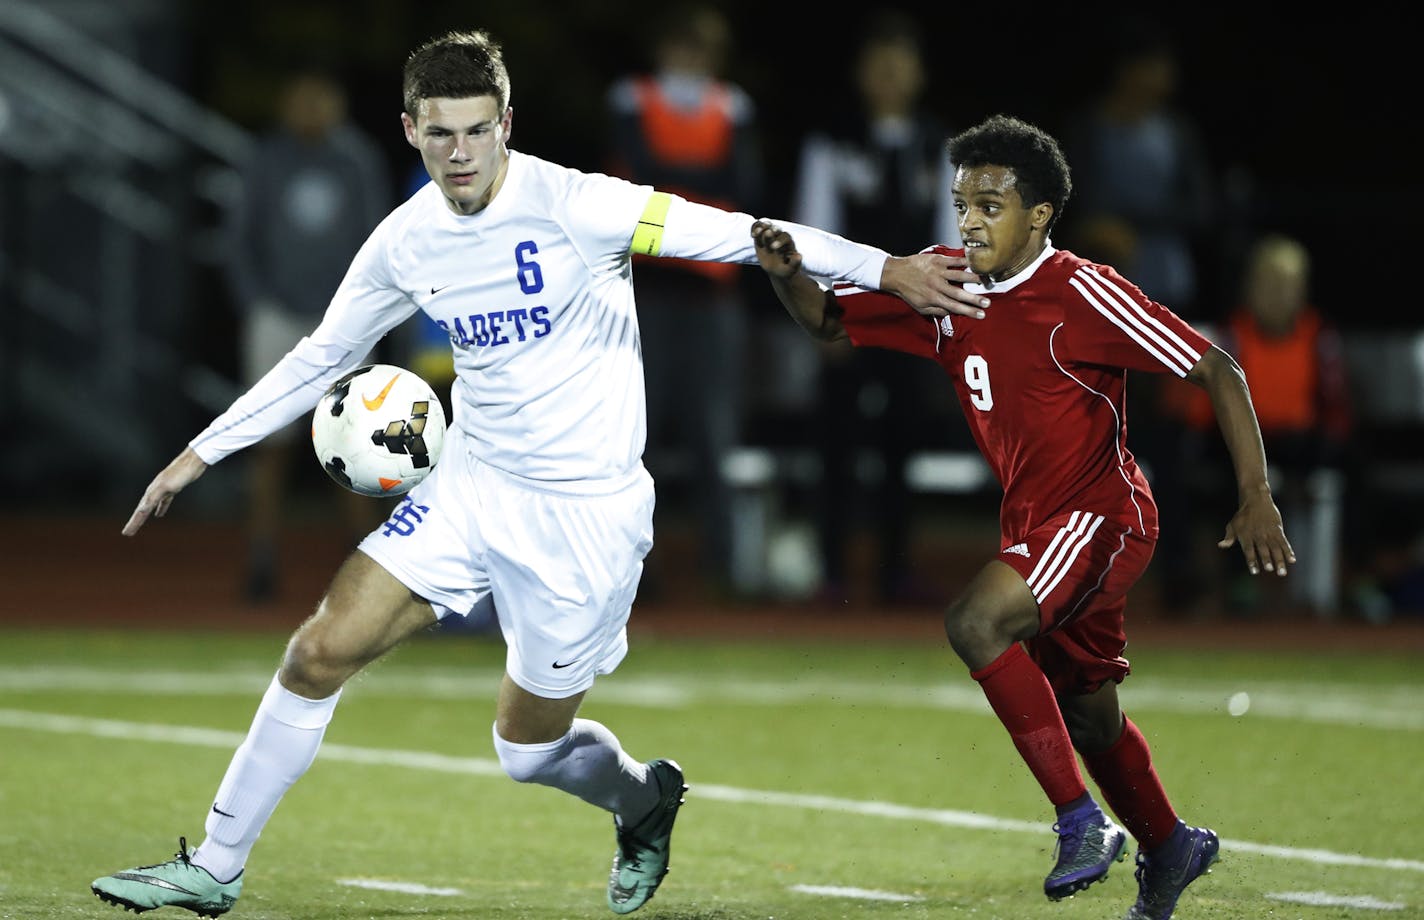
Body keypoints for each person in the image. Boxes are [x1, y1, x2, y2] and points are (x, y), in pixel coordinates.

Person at [90, 29, 988, 918]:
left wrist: (888, 269)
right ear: (410, 131)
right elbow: (323, 355)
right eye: (439, 133)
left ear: (507, 122)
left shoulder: (580, 204)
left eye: (477, 130)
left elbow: (740, 235)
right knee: (317, 650)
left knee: (525, 750)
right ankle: (214, 866)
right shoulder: (405, 240)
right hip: (470, 485)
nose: (460, 153)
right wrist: (200, 453)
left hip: (586, 518)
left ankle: (641, 800)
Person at [751, 114, 1295, 920]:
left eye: (990, 204)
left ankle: (1082, 825)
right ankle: (1169, 842)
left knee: (975, 621)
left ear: (1039, 215)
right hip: (1036, 528)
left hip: (1102, 517)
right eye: (961, 202)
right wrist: (786, 274)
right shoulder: (944, 285)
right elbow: (829, 323)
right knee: (1088, 712)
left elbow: (1216, 366)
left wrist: (1255, 493)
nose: (969, 219)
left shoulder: (1081, 289)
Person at [788, 9, 965, 606]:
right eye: (879, 66)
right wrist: (824, 320)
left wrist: (944, 317)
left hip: (915, 320)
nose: (890, 78)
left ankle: (896, 570)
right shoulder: (831, 141)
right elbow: (813, 232)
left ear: (917, 74)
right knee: (836, 444)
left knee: (900, 445)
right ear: (863, 74)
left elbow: (952, 236)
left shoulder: (939, 147)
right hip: (848, 316)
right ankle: (832, 570)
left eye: (901, 66)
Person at [602, 4, 764, 598]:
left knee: (712, 435)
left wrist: (675, 181)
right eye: (679, 47)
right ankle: (636, 568)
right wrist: (703, 179)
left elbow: (744, 184)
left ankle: (723, 572)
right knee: (637, 435)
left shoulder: (732, 106)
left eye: (698, 50)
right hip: (645, 282)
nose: (688, 61)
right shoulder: (632, 99)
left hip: (711, 285)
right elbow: (637, 171)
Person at [222, 64, 395, 603]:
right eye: (303, 98)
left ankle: (366, 567)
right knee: (268, 447)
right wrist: (256, 304)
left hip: (343, 325)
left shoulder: (358, 161)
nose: (312, 109)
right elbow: (238, 238)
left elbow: (380, 241)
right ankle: (262, 559)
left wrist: (363, 315)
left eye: (322, 98)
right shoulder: (265, 159)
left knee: (358, 448)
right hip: (278, 318)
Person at [1172, 233, 1360, 617]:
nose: (1277, 295)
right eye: (1267, 284)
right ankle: (1216, 588)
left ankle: (1346, 586)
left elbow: (1337, 410)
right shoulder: (1232, 336)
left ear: (1302, 290)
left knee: (1352, 473)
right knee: (1199, 478)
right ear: (1250, 288)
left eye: (1286, 285)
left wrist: (1327, 445)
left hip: (1300, 448)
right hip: (1240, 446)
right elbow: (1204, 411)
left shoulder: (1318, 335)